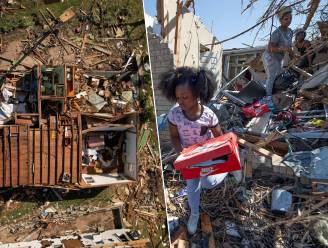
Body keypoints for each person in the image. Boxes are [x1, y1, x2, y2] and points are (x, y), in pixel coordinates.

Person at [160, 67, 240, 235]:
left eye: (185, 97)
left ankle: (229, 169)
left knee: (208, 183)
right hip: (189, 157)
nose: (180, 101)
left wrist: (224, 158)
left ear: (197, 95)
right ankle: (194, 214)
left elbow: (220, 138)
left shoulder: (208, 115)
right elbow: (174, 137)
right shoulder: (174, 114)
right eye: (177, 97)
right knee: (192, 186)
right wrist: (182, 152)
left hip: (208, 156)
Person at [262, 6, 294, 96]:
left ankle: (276, 96)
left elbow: (289, 47)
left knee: (279, 76)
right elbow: (270, 48)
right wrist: (283, 49)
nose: (289, 20)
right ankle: (268, 98)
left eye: (290, 18)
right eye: (286, 19)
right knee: (271, 77)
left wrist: (294, 56)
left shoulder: (291, 32)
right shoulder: (277, 33)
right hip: (270, 56)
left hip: (279, 58)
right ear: (281, 20)